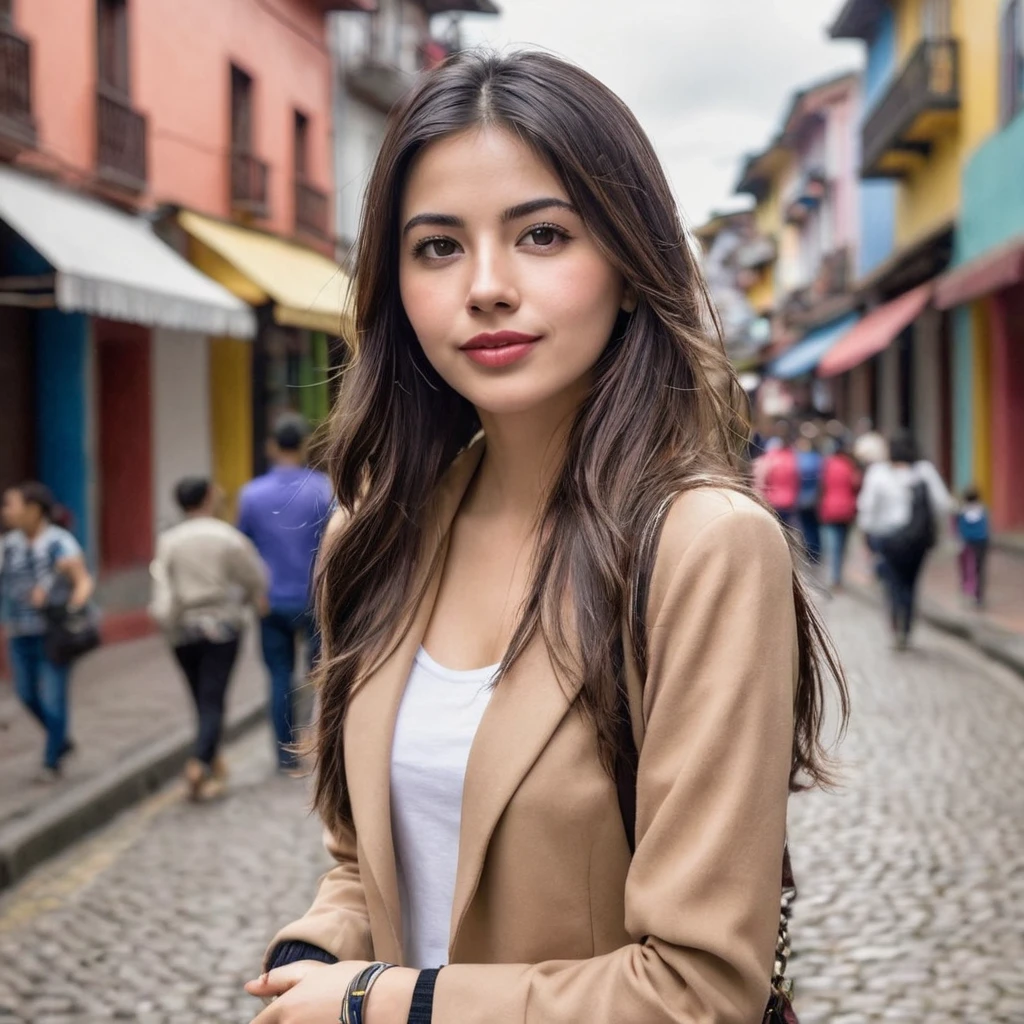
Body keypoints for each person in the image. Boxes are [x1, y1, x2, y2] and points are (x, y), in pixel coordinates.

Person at [244, 50, 848, 1024]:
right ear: (394, 283)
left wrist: (377, 1002)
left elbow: (698, 987)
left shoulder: (702, 547)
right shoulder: (373, 536)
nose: (485, 286)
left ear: (627, 259)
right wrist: (320, 947)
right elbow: (364, 859)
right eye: (437, 246)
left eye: (541, 234)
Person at [150, 477, 268, 801]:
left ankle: (212, 762)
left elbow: (162, 584)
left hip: (182, 631)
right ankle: (200, 762)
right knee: (213, 698)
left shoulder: (169, 540)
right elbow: (254, 576)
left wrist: (166, 621)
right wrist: (251, 597)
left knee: (200, 698)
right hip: (221, 627)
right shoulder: (227, 537)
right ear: (206, 498)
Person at [238, 416, 333, 772]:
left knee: (279, 674)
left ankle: (283, 755)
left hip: (270, 600)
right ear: (305, 445)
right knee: (322, 674)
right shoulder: (323, 489)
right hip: (315, 598)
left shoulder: (251, 494)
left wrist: (253, 592)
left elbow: (243, 549)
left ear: (272, 446)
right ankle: (321, 744)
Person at [0, 482, 94, 782]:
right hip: (18, 630)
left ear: (33, 509)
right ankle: (61, 739)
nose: (6, 512)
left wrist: (72, 606)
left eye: (10, 505)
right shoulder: (8, 545)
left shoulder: (59, 543)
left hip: (52, 633)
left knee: (54, 697)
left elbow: (83, 581)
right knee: (26, 694)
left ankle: (51, 759)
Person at [858, 432, 952, 649]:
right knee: (911, 582)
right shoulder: (924, 471)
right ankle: (906, 627)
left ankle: (895, 623)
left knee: (892, 583)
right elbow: (942, 504)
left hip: (888, 538)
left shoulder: (878, 472)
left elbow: (867, 507)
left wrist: (867, 533)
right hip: (917, 541)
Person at [818, 438, 862, 591]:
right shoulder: (849, 466)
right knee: (842, 545)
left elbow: (820, 485)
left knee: (831, 545)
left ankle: (832, 576)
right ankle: (837, 576)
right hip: (846, 510)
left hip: (829, 508)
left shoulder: (827, 465)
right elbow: (856, 484)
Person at [754, 433, 799, 527]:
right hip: (789, 501)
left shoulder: (769, 460)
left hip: (773, 501)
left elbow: (762, 481)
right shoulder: (793, 458)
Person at [956, 485, 990, 608]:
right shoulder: (982, 510)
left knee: (966, 570)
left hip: (967, 544)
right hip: (981, 543)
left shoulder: (961, 513)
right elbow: (986, 528)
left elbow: (960, 530)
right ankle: (979, 596)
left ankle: (967, 592)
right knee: (979, 570)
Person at [794, 428, 824, 562]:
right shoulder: (818, 458)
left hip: (803, 497)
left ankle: (810, 551)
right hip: (815, 498)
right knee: (813, 526)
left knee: (806, 526)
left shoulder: (798, 459)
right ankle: (815, 551)